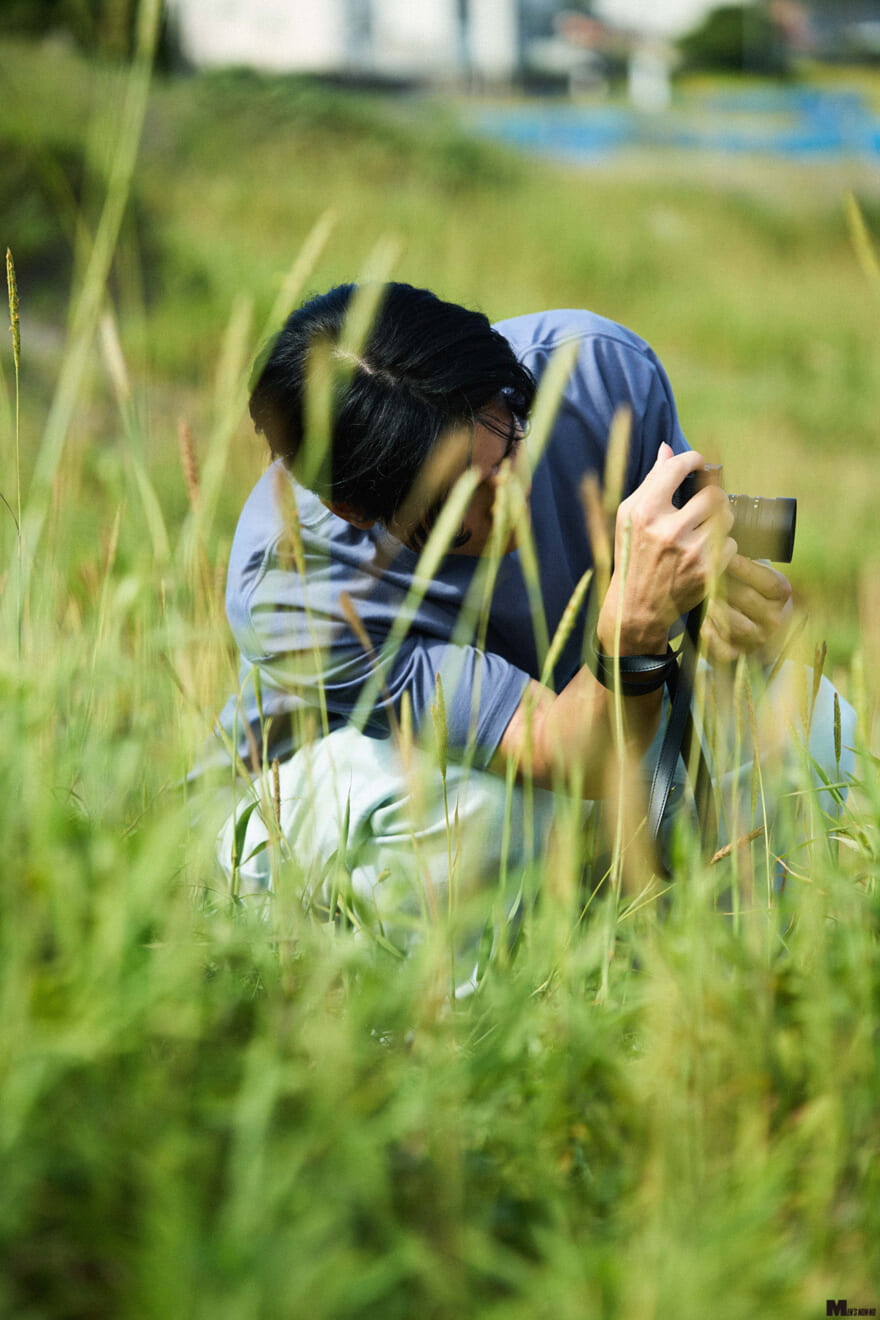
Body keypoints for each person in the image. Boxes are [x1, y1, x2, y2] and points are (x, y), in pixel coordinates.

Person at [202, 282, 853, 962]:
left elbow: (684, 633)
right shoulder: (292, 583)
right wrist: (633, 630)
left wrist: (723, 612)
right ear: (356, 513)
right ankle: (450, 1025)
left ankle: (732, 972)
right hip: (324, 809)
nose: (511, 496)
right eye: (462, 497)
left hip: (583, 745)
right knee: (489, 815)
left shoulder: (594, 372)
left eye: (509, 445)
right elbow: (555, 748)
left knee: (815, 721)